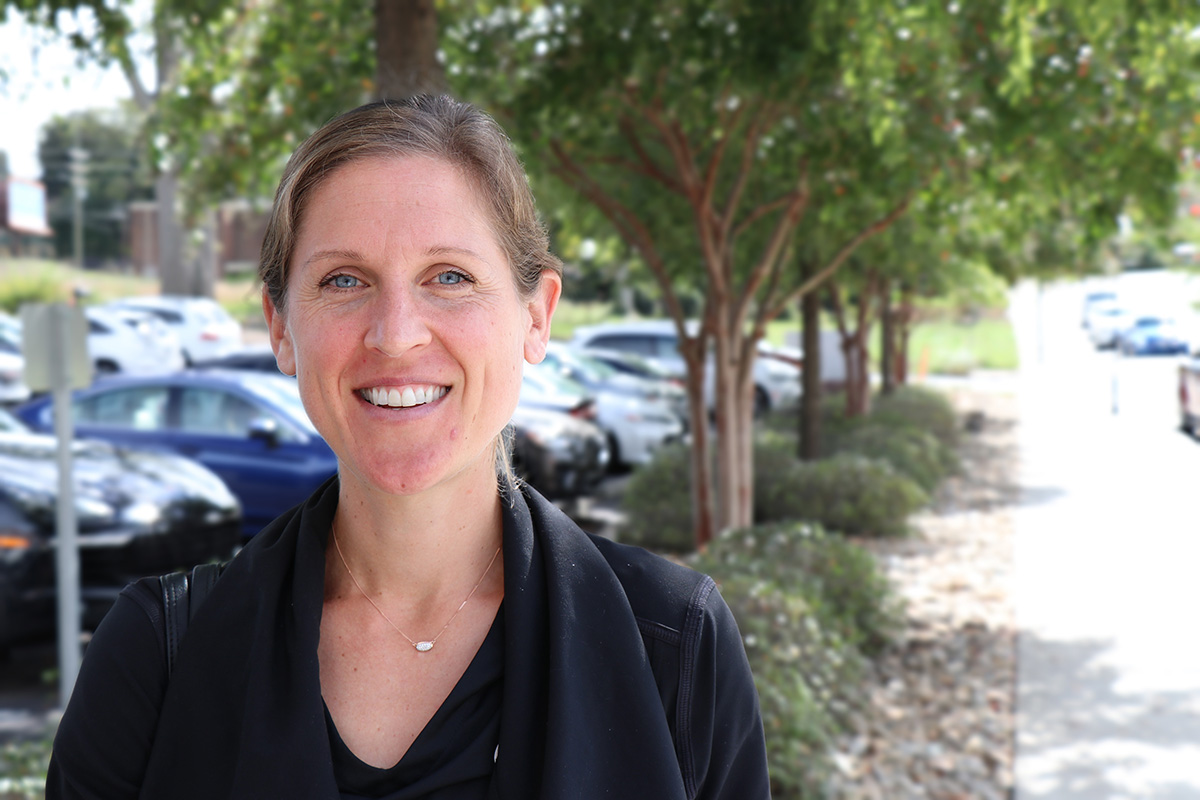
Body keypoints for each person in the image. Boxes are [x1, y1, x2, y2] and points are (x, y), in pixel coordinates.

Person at [46, 95, 770, 799]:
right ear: (279, 327)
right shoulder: (156, 655)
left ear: (536, 317)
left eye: (450, 277)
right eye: (344, 280)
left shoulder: (675, 648)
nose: (396, 334)